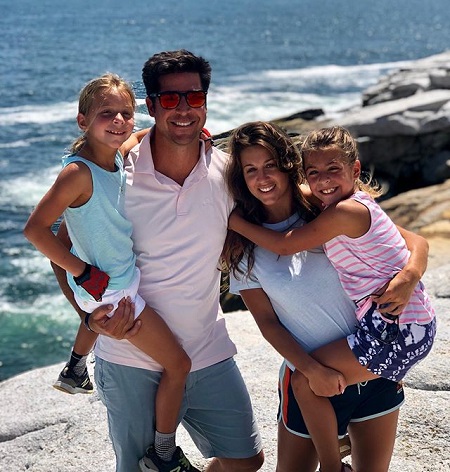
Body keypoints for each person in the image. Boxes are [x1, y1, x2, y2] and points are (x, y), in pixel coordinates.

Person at [49, 51, 264, 472]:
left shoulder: (226, 172)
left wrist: (410, 257)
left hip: (207, 349)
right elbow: (62, 245)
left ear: (206, 101)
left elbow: (296, 209)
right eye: (170, 100)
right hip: (129, 354)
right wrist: (89, 315)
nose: (183, 109)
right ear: (151, 106)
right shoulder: (116, 172)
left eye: (194, 97)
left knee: (245, 461)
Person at [223, 121, 431, 472]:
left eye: (270, 165)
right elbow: (268, 324)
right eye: (251, 170)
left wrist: (409, 276)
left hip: (371, 368)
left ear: (289, 167)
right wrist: (311, 371)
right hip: (310, 375)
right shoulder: (245, 248)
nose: (263, 178)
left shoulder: (327, 208)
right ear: (241, 179)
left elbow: (415, 242)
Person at [24, 73, 207, 471]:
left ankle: (75, 367)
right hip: (112, 292)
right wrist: (82, 272)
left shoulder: (113, 156)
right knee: (179, 366)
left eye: (126, 112)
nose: (120, 120)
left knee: (113, 326)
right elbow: (35, 230)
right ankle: (162, 454)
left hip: (114, 286)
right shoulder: (79, 173)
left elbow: (134, 137)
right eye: (107, 113)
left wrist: (187, 132)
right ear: (82, 120)